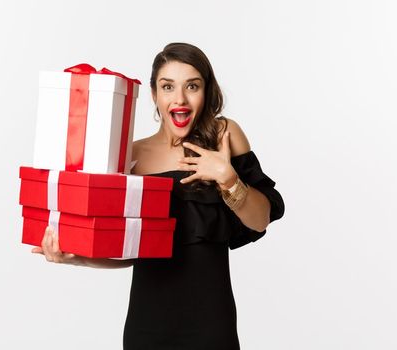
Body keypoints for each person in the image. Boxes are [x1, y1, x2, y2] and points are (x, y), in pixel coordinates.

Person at [31, 43, 285, 349]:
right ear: (154, 94)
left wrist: (227, 177)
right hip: (147, 327)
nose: (180, 99)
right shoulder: (132, 155)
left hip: (210, 326)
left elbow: (261, 220)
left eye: (192, 86)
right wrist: (77, 258)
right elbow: (130, 255)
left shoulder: (224, 135)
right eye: (168, 87)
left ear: (207, 91)